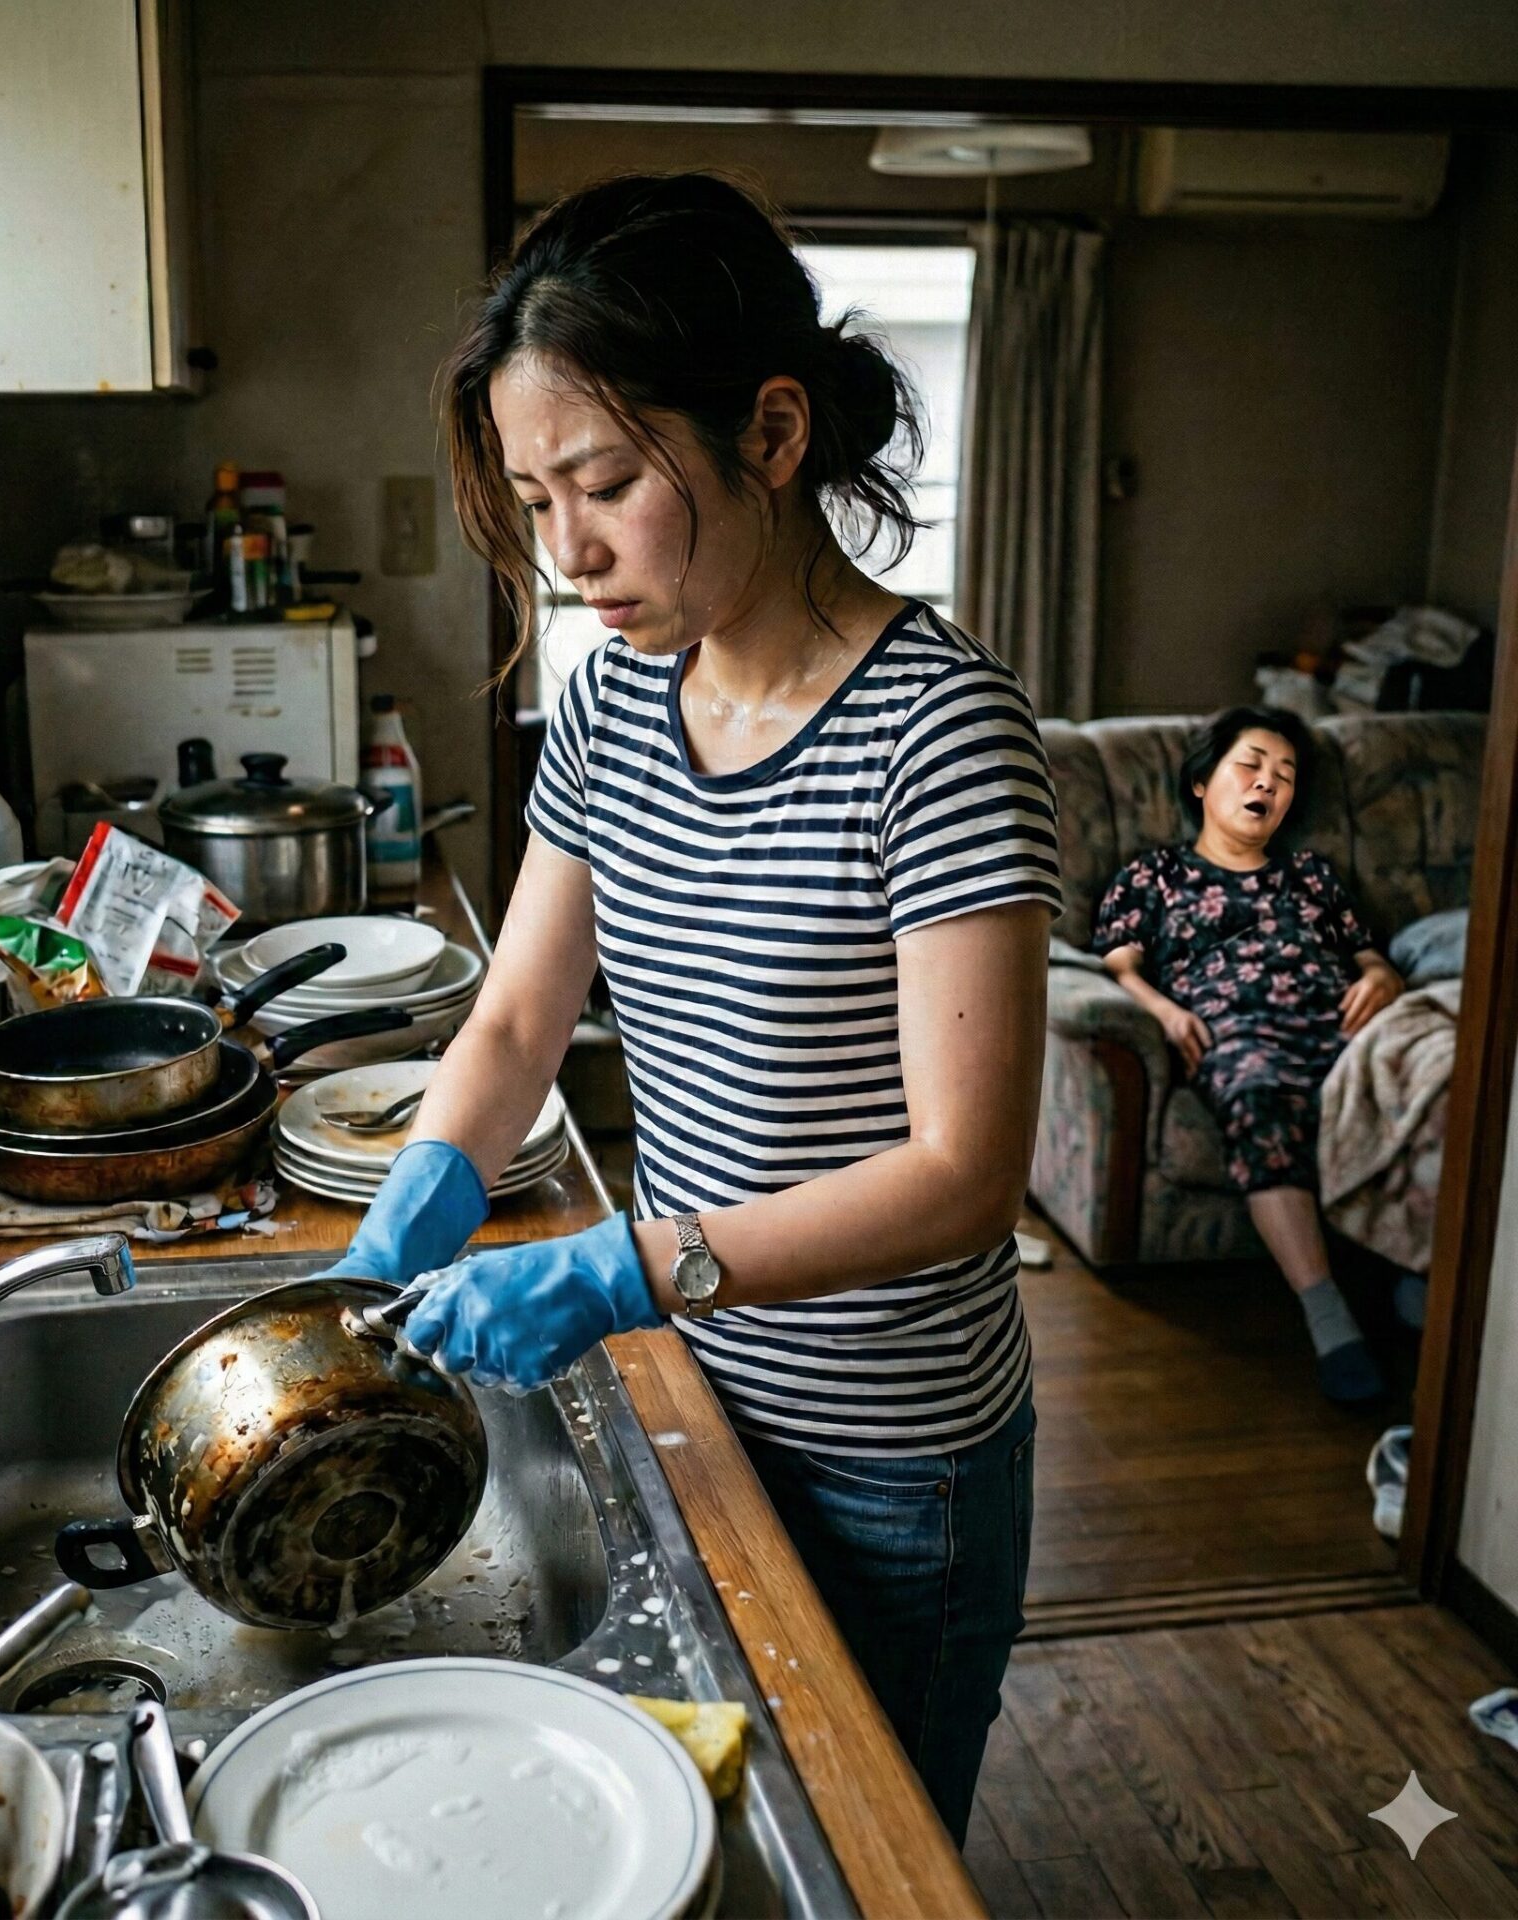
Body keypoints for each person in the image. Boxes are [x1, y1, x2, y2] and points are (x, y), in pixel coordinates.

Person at [320, 172, 1061, 1844]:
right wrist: (427, 1180)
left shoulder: (940, 735)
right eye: (536, 497)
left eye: (606, 484)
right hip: (699, 1400)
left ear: (772, 433)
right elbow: (519, 1022)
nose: (568, 551)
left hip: (897, 1464)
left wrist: (624, 1268)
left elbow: (964, 1177)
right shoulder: (610, 707)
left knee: (864, 1853)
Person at [1093, 706, 1405, 1402]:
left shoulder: (1312, 876)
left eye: (1285, 775)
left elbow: (1369, 957)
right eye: (1252, 765)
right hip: (1240, 1034)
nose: (1269, 782)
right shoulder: (1155, 874)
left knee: (1412, 1079)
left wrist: (1381, 979)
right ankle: (1329, 1316)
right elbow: (1119, 966)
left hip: (1338, 1024)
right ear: (1202, 782)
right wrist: (1166, 1011)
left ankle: (1414, 1276)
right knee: (1259, 1096)